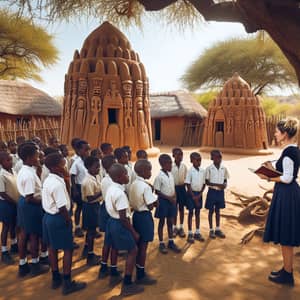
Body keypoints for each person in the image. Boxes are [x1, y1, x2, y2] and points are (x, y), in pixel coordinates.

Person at [259, 118, 300, 286]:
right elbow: (285, 170)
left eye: (277, 131)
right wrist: (271, 167)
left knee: (286, 235)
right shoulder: (291, 150)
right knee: (286, 235)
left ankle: (288, 275)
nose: (275, 134)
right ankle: (286, 269)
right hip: (287, 194)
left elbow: (287, 178)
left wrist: (268, 177)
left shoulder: (289, 153)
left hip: (287, 196)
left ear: (284, 134)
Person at [42, 152, 87, 295]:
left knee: (52, 247)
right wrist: (68, 220)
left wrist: (67, 177)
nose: (65, 166)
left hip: (49, 218)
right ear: (56, 167)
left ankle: (56, 277)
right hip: (59, 218)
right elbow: (62, 207)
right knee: (68, 249)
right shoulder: (56, 184)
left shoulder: (50, 179)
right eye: (63, 164)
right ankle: (67, 282)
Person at [105, 163, 144, 296]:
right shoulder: (120, 193)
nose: (128, 176)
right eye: (126, 174)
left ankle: (113, 274)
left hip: (111, 221)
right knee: (133, 250)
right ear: (119, 177)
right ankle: (127, 284)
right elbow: (123, 218)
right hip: (120, 224)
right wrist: (134, 232)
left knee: (114, 246)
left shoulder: (111, 188)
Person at [16, 142, 49, 277]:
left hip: (25, 203)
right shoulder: (28, 175)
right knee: (34, 234)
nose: (39, 157)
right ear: (29, 158)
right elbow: (30, 197)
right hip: (31, 205)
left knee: (24, 233)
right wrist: (44, 202)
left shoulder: (27, 170)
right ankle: (35, 264)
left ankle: (23, 264)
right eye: (37, 155)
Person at [129, 159, 157, 285]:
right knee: (143, 247)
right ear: (142, 171)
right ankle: (141, 275)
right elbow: (151, 206)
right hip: (145, 217)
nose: (150, 172)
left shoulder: (134, 183)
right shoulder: (145, 187)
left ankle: (138, 270)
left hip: (136, 215)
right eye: (149, 170)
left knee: (139, 244)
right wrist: (155, 199)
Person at [98, 155, 122, 283]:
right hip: (111, 212)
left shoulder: (106, 179)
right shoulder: (110, 182)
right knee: (113, 242)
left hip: (108, 210)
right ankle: (112, 270)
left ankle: (104, 266)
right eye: (115, 163)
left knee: (108, 241)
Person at [154, 154, 181, 254]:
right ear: (163, 164)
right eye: (169, 164)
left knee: (170, 221)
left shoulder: (170, 175)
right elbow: (157, 191)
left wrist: (174, 197)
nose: (171, 165)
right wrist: (168, 198)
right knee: (162, 222)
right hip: (163, 202)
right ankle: (161, 243)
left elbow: (173, 188)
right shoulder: (159, 177)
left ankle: (170, 241)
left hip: (171, 202)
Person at [81, 156, 102, 266]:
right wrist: (102, 191)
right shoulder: (88, 181)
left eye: (99, 166)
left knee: (91, 230)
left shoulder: (94, 176)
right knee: (91, 230)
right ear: (88, 167)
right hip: (90, 207)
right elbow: (90, 198)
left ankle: (87, 249)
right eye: (96, 167)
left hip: (94, 206)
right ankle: (90, 255)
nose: (98, 169)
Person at [0, 151, 19, 264]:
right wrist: (14, 202)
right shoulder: (1, 174)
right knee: (6, 226)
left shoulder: (13, 171)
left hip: (14, 203)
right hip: (6, 204)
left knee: (14, 224)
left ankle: (14, 244)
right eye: (7, 160)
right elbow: (2, 193)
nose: (10, 162)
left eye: (11, 159)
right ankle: (4, 251)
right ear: (1, 162)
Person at [205, 149, 229, 239]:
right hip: (212, 192)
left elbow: (225, 179)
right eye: (217, 156)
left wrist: (225, 185)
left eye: (220, 156)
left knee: (218, 210)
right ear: (212, 158)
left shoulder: (224, 169)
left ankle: (217, 229)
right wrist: (218, 185)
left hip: (220, 192)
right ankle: (211, 230)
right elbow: (207, 182)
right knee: (211, 211)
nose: (220, 158)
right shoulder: (209, 169)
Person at [69, 140, 90, 238]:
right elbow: (72, 176)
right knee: (79, 207)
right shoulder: (77, 163)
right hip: (79, 187)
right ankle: (77, 227)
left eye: (88, 149)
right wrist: (75, 189)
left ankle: (87, 226)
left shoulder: (90, 160)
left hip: (88, 187)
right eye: (85, 150)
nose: (87, 152)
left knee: (88, 207)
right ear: (79, 150)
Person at [185, 152, 206, 243]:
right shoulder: (190, 171)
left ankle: (197, 232)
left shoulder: (203, 171)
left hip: (199, 194)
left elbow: (204, 183)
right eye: (196, 160)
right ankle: (190, 233)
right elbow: (188, 184)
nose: (199, 162)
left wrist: (200, 194)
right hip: (191, 195)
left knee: (198, 212)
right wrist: (193, 196)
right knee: (191, 213)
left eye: (200, 160)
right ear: (191, 161)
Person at [171, 148, 187, 238]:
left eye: (181, 155)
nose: (180, 156)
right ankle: (174, 227)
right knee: (174, 208)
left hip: (182, 188)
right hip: (173, 189)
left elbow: (186, 178)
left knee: (181, 208)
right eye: (177, 154)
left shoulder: (184, 166)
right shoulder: (170, 167)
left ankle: (181, 227)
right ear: (173, 156)